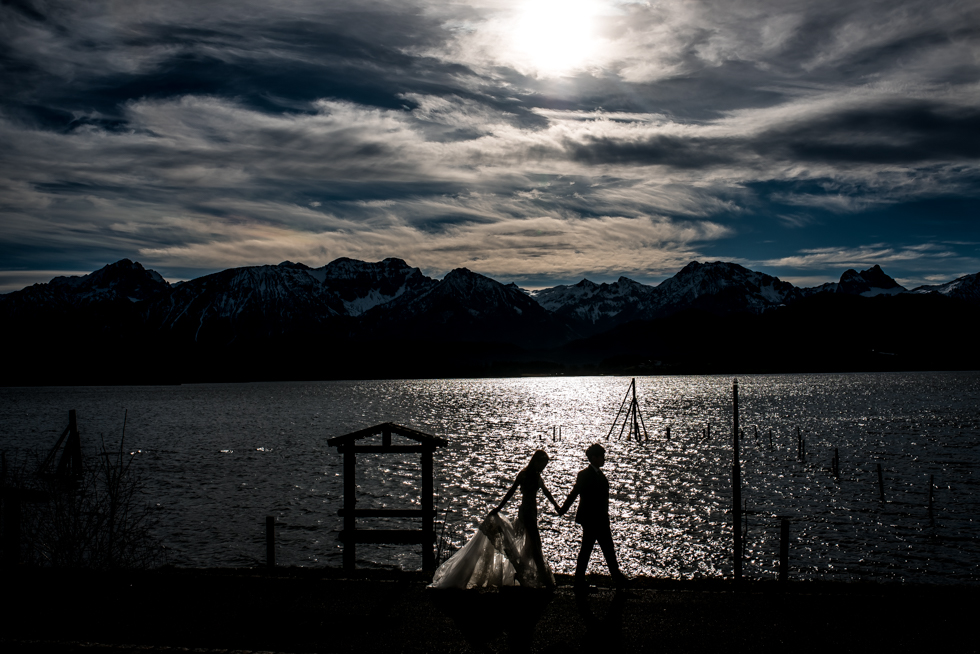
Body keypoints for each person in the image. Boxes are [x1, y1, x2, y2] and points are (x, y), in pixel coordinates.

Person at [429, 450, 561, 589]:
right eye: (542, 464)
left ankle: (524, 573)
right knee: (535, 544)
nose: (543, 468)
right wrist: (498, 508)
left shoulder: (537, 476)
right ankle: (539, 577)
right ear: (536, 462)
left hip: (532, 513)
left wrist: (557, 507)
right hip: (526, 513)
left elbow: (546, 492)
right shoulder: (524, 475)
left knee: (531, 546)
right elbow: (511, 492)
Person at [560, 443, 628, 591]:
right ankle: (583, 581)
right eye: (601, 457)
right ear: (594, 458)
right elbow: (574, 493)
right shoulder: (585, 475)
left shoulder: (599, 476)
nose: (604, 459)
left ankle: (615, 578)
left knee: (605, 549)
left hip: (600, 519)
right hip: (591, 519)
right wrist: (563, 509)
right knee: (592, 550)